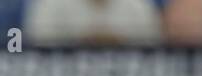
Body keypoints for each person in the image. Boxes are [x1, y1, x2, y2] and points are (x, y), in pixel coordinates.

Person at [25, 0, 163, 44]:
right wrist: (81, 42)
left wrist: (120, 43)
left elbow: (155, 49)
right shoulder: (51, 4)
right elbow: (38, 48)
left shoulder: (137, 5)